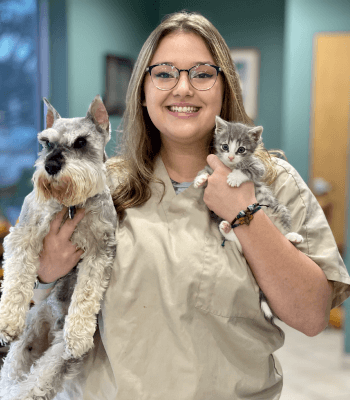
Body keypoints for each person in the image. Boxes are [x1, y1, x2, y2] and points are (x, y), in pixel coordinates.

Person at [35, 11, 350, 400]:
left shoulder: (275, 183)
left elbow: (312, 315)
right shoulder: (100, 185)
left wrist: (246, 215)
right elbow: (36, 306)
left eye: (201, 73)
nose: (183, 88)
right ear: (143, 91)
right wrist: (45, 273)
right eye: (164, 73)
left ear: (225, 87)